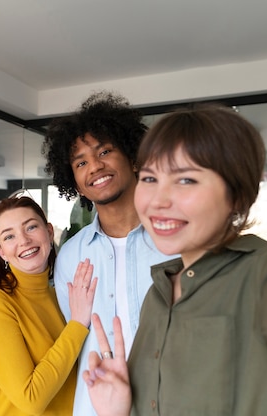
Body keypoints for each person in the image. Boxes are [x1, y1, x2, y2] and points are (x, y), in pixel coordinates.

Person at [83, 104, 267, 415]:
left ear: (237, 196)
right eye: (149, 178)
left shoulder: (266, 272)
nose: (158, 200)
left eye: (186, 180)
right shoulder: (158, 295)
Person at [41, 91, 174, 415]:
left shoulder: (175, 239)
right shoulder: (71, 256)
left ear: (132, 156)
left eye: (104, 152)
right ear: (74, 180)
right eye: (81, 162)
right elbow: (71, 340)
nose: (95, 166)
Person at [0, 195, 98, 415]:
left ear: (49, 232)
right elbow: (30, 399)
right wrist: (77, 325)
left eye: (30, 227)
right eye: (9, 236)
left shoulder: (63, 295)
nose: (23, 240)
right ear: (1, 252)